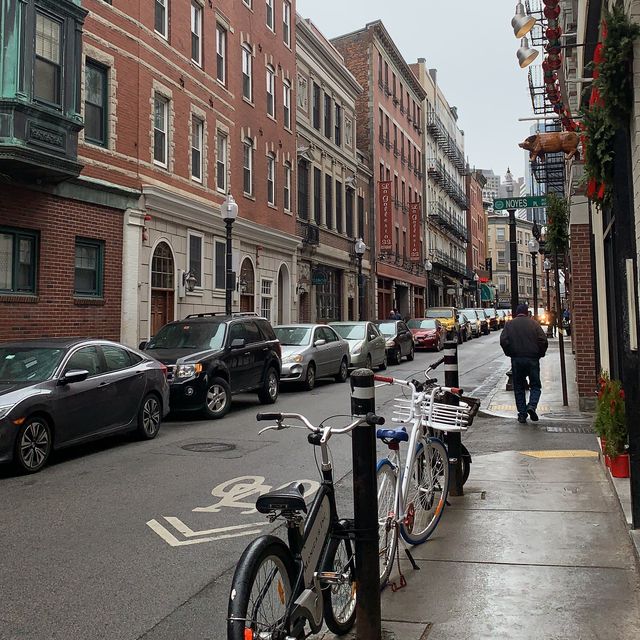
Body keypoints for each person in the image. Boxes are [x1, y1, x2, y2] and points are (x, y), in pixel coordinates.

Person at [500, 303, 549, 424]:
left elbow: (503, 341)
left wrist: (510, 352)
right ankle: (532, 406)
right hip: (532, 358)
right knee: (535, 385)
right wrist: (540, 353)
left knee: (519, 387)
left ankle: (522, 414)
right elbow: (543, 340)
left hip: (517, 359)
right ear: (527, 312)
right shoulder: (534, 324)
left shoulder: (509, 325)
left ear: (517, 313)